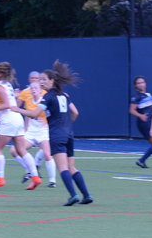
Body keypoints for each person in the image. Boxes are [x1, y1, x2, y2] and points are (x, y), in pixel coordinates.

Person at [12, 61, 93, 206]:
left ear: (52, 80)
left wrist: (18, 109)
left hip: (57, 135)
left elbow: (34, 114)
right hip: (69, 134)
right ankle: (86, 195)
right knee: (71, 167)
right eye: (40, 79)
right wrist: (67, 124)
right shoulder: (64, 95)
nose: (41, 82)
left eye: (44, 79)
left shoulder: (48, 97)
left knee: (62, 168)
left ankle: (73, 195)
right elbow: (75, 112)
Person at [0, 62, 41, 190]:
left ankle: (0, 178)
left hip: (9, 120)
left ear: (0, 74)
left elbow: (6, 105)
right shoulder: (7, 84)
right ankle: (35, 177)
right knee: (21, 150)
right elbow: (9, 102)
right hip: (17, 120)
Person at [12, 79, 57, 187]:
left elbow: (48, 115)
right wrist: (15, 97)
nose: (33, 90)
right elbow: (18, 109)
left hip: (43, 131)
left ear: (41, 90)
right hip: (31, 132)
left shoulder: (44, 101)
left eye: (36, 88)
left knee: (47, 154)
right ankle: (30, 170)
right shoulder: (28, 100)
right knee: (14, 150)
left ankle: (52, 181)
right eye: (32, 88)